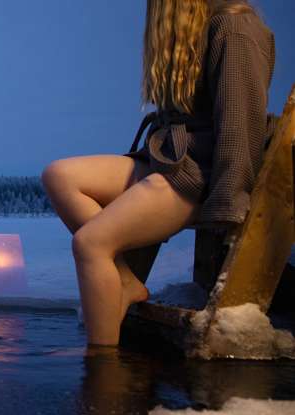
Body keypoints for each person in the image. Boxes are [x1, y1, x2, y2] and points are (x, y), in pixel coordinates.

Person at [41, 0, 275, 346]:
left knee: (91, 244)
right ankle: (124, 279)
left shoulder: (235, 28)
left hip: (200, 175)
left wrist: (227, 202)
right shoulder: (199, 27)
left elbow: (241, 127)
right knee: (59, 176)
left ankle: (102, 364)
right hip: (171, 160)